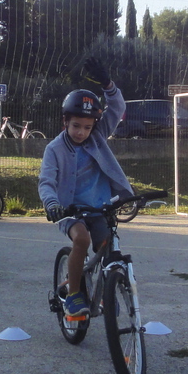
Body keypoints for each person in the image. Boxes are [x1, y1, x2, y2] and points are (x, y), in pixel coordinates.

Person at [39, 58, 132, 321]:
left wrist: (108, 85)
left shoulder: (98, 136)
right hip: (69, 210)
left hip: (100, 207)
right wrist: (52, 204)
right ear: (65, 122)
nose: (81, 132)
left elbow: (117, 107)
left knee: (106, 244)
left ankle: (105, 290)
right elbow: (46, 181)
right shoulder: (54, 149)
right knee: (82, 240)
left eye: (88, 127)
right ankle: (74, 295)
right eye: (76, 126)